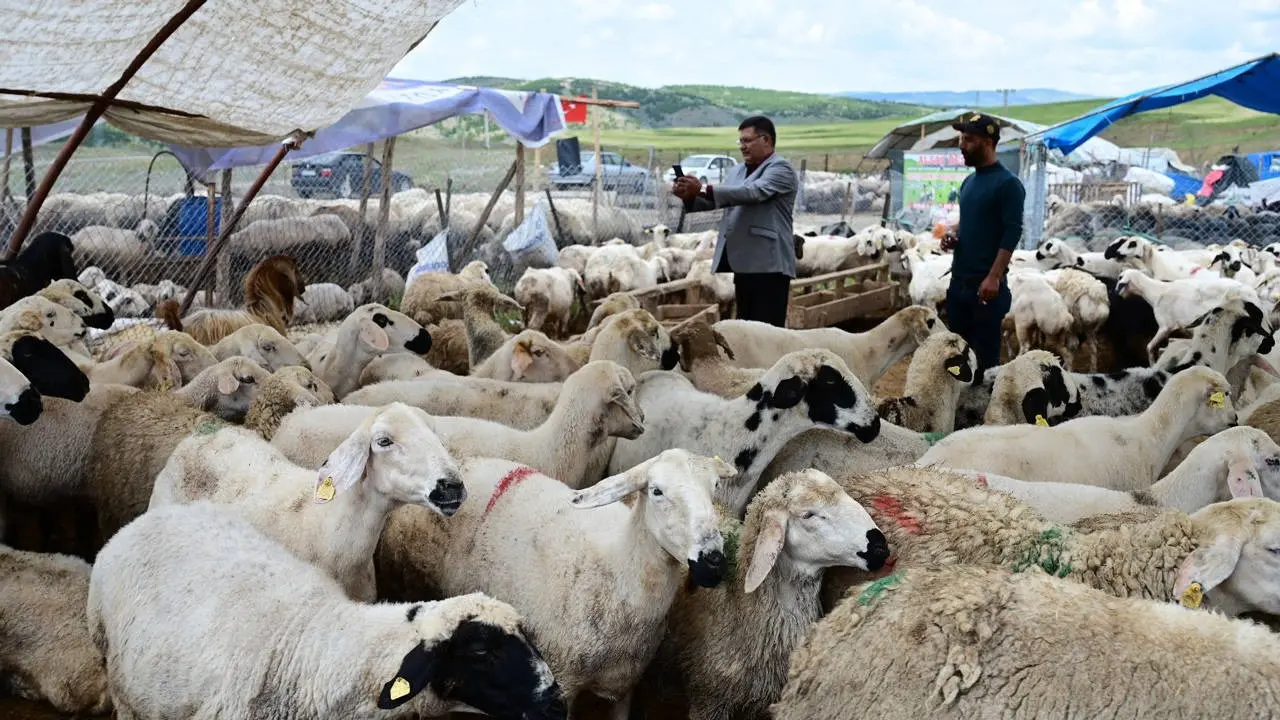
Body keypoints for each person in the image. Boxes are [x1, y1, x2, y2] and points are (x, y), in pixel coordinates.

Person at [671, 116, 798, 327]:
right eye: (740, 141)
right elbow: (723, 199)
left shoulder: (781, 169)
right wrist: (690, 196)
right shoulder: (739, 170)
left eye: (747, 140)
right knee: (745, 328)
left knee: (767, 331)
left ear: (766, 140)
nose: (742, 146)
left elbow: (753, 192)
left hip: (768, 265)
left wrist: (702, 188)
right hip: (744, 263)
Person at [940, 112, 1025, 376]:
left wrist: (994, 277)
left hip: (985, 291)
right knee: (956, 359)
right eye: (961, 138)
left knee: (984, 364)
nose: (961, 145)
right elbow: (971, 223)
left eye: (967, 139)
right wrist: (954, 235)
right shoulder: (969, 182)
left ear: (987, 142)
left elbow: (1012, 232)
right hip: (958, 287)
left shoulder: (1008, 185)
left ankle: (985, 414)